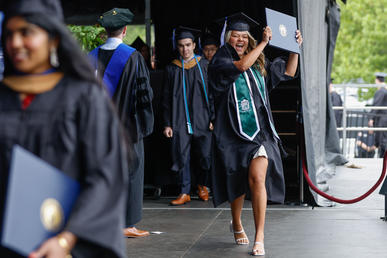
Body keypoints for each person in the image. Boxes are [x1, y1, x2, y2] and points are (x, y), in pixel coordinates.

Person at [0, 0, 128, 257]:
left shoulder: (83, 97)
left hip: (65, 244)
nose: (15, 43)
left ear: (53, 38)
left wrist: (66, 239)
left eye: (26, 33)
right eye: (9, 34)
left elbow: (105, 175)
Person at [208, 13, 302, 256]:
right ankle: (237, 222)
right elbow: (241, 66)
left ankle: (259, 236)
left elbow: (289, 72)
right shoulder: (221, 59)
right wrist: (263, 43)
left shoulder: (259, 61)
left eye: (243, 36)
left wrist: (295, 49)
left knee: (257, 179)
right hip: (233, 132)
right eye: (235, 36)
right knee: (237, 181)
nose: (239, 39)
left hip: (260, 132)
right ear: (228, 38)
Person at [89, 8, 154, 238]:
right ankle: (127, 224)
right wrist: (145, 125)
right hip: (128, 129)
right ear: (125, 30)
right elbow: (144, 95)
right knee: (132, 173)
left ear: (105, 30)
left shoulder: (91, 56)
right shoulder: (133, 57)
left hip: (99, 128)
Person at [162, 26, 213, 205]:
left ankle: (202, 185)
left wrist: (213, 118)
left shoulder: (204, 65)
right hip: (179, 117)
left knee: (205, 155)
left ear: (194, 45)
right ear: (177, 46)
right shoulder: (172, 68)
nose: (185, 49)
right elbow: (166, 97)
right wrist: (167, 123)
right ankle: (184, 191)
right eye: (181, 46)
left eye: (188, 45)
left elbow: (213, 93)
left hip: (203, 117)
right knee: (181, 154)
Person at [369, 72, 387, 157]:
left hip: (382, 118)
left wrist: (371, 118)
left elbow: (376, 105)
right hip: (384, 117)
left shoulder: (381, 91)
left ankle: (383, 157)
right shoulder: (385, 90)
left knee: (382, 139)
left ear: (377, 80)